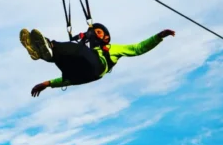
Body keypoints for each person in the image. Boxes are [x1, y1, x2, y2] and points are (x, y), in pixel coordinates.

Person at [20, 23, 175, 97]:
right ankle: (42, 51)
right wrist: (47, 84)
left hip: (95, 68)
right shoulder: (86, 51)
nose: (93, 34)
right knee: (65, 57)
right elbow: (71, 80)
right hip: (80, 74)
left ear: (106, 37)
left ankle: (49, 47)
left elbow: (138, 48)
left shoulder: (112, 48)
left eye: (98, 32)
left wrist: (159, 36)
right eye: (92, 32)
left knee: (77, 49)